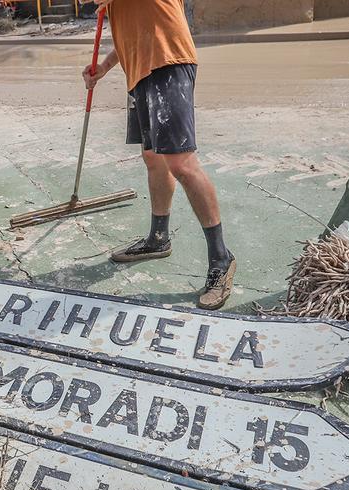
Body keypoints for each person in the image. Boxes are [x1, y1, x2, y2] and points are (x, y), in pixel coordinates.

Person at [82, 0, 235, 310]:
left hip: (169, 62)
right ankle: (158, 238)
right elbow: (134, 33)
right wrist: (104, 67)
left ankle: (222, 257)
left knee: (181, 164)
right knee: (153, 159)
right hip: (139, 72)